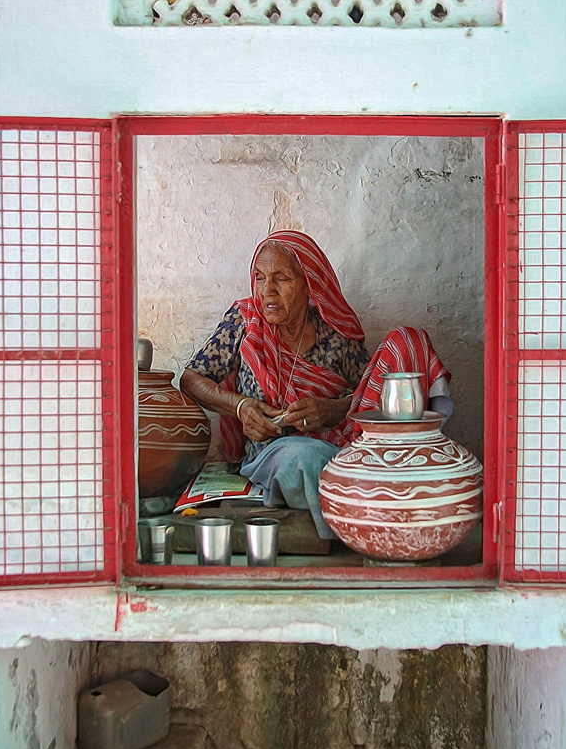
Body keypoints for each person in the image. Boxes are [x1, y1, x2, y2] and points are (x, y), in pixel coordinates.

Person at [180, 230, 452, 540]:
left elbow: (368, 397)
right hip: (276, 455)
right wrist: (241, 408)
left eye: (281, 278)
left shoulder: (333, 333)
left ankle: (402, 474)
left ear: (310, 284)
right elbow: (191, 379)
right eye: (259, 277)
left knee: (407, 341)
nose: (267, 290)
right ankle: (368, 531)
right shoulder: (245, 321)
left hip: (341, 451)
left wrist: (334, 409)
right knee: (303, 458)